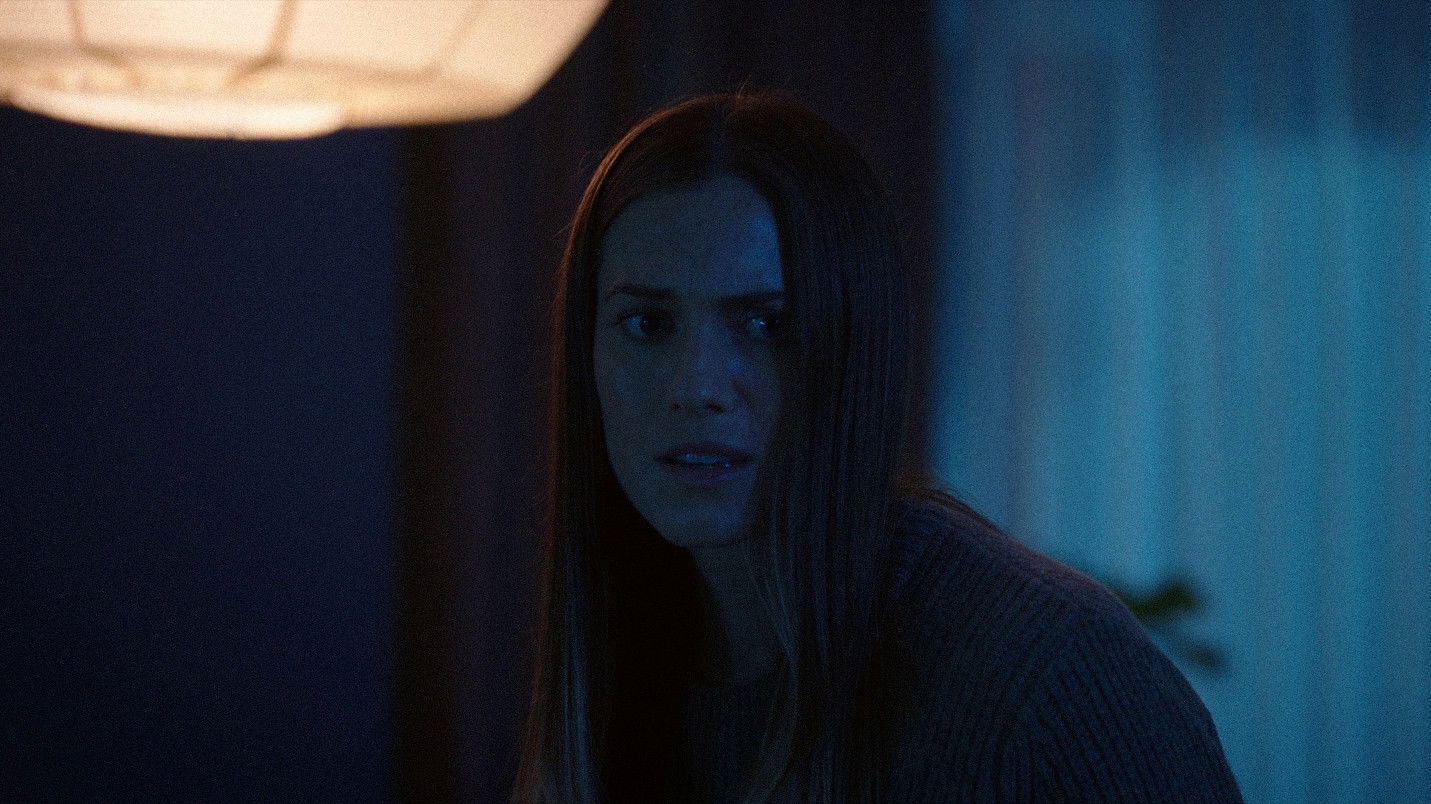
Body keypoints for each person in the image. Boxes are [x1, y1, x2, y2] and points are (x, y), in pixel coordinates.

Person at [510, 91, 1243, 802]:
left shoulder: (1053, 676)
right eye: (646, 324)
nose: (696, 387)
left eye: (764, 325)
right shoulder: (624, 652)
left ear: (852, 348)